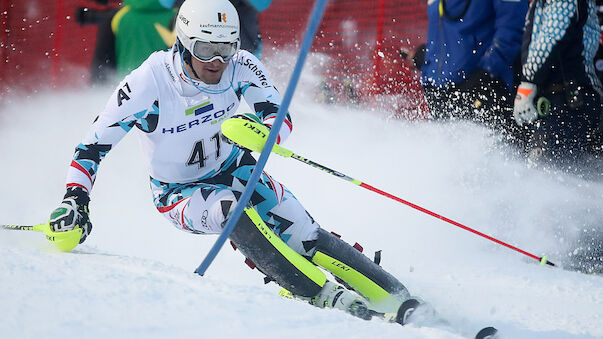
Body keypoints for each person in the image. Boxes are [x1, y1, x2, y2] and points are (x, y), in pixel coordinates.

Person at [47, 0, 416, 322]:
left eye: (227, 48)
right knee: (230, 209)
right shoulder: (149, 82)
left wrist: (263, 131)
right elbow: (91, 146)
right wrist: (75, 200)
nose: (218, 61)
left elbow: (279, 116)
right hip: (178, 193)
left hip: (236, 168)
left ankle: (401, 300)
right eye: (206, 49)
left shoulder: (241, 64)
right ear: (185, 43)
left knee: (306, 235)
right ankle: (315, 292)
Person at [513, 0, 603, 171]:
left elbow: (552, 36)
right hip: (556, 98)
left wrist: (528, 83)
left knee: (548, 176)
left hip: (569, 99)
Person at [421, 0, 528, 134]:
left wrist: (486, 72)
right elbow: (442, 37)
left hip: (486, 91)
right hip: (441, 94)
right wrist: (428, 73)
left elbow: (513, 27)